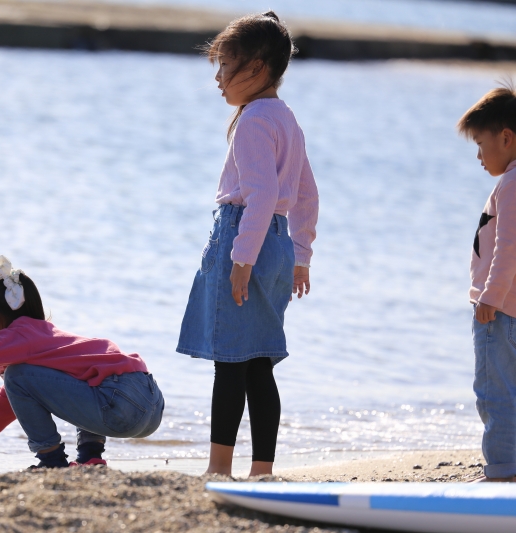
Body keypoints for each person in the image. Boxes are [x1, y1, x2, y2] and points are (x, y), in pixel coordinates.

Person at [176, 12, 319, 478]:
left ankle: (219, 467)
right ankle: (262, 469)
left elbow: (257, 196)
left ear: (256, 69)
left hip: (247, 237)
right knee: (259, 361)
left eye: (225, 66)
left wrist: (241, 258)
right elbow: (306, 194)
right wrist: (300, 256)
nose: (218, 79)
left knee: (230, 361)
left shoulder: (254, 120)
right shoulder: (286, 118)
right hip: (277, 245)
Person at [0, 256, 164, 473]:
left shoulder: (23, 340)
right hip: (150, 402)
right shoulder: (45, 343)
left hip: (121, 402)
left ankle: (52, 461)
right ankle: (90, 457)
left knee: (17, 377)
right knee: (84, 376)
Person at [458, 84, 516, 483]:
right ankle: (508, 468)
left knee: (495, 393)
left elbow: (512, 244)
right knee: (512, 392)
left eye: (482, 144)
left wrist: (491, 296)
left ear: (506, 137)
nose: (479, 155)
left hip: (501, 311)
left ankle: (501, 474)